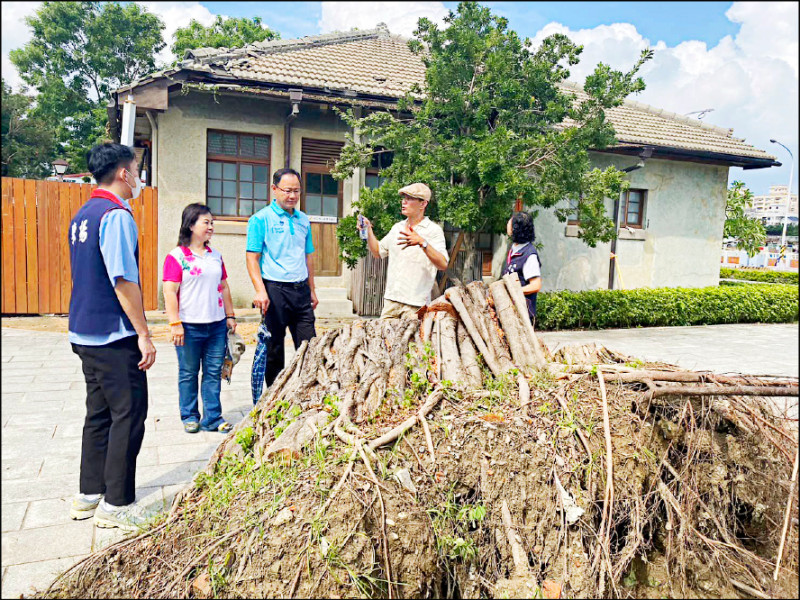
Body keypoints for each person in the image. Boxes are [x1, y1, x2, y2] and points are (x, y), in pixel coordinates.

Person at [67, 142, 156, 532]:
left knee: (99, 413)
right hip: (112, 333)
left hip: (84, 330)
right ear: (124, 173)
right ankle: (117, 503)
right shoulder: (116, 215)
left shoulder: (83, 213)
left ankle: (89, 493)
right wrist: (144, 333)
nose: (138, 176)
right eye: (136, 169)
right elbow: (123, 279)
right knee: (129, 412)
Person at [162, 203, 236, 434]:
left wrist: (230, 316)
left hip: (215, 326)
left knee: (213, 372)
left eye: (212, 222)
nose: (211, 226)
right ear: (191, 225)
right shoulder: (176, 256)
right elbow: (169, 291)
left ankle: (213, 418)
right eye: (206, 222)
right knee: (188, 372)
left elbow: (223, 287)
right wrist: (175, 324)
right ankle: (190, 416)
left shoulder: (216, 256)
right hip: (188, 326)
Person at [246, 168, 318, 388]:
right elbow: (252, 257)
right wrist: (260, 290)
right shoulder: (260, 219)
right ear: (274, 189)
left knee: (310, 345)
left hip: (301, 291)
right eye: (287, 191)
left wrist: (312, 289)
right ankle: (274, 396)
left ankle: (307, 391)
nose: (293, 196)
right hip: (274, 290)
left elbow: (308, 257)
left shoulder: (303, 220)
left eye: (297, 191)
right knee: (274, 347)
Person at [358, 183, 449, 319]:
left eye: (409, 198)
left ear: (423, 204)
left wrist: (422, 243)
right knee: (383, 340)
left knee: (413, 341)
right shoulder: (397, 227)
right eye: (403, 198)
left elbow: (443, 264)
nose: (404, 202)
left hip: (416, 305)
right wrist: (368, 229)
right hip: (391, 302)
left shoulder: (433, 230)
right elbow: (377, 252)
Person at [502, 211, 542, 324]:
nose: (508, 224)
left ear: (516, 228)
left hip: (523, 313)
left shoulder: (529, 255)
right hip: (511, 311)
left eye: (510, 222)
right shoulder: (514, 250)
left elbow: (536, 285)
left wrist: (514, 291)